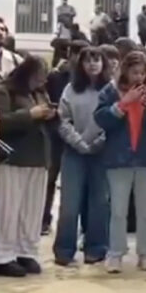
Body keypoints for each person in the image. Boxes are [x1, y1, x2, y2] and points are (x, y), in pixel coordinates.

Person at [94, 51, 146, 273]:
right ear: (125, 71)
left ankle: (145, 253)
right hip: (118, 159)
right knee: (118, 210)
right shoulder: (110, 91)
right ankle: (115, 253)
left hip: (145, 158)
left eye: (142, 73)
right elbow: (101, 119)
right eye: (134, 72)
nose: (138, 77)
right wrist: (122, 104)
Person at [0, 56, 55, 277]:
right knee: (7, 209)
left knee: (31, 210)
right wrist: (30, 114)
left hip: (38, 158)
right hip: (12, 159)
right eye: (38, 76)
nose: (41, 81)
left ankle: (26, 251)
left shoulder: (38, 93)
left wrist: (51, 114)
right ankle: (2, 256)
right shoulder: (3, 91)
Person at [53, 47, 110, 266]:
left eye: (96, 60)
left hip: (102, 153)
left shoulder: (110, 90)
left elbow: (115, 118)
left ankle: (96, 247)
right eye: (87, 60)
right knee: (70, 203)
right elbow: (62, 120)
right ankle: (64, 249)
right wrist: (78, 142)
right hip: (73, 152)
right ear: (80, 64)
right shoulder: (70, 89)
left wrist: (99, 142)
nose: (92, 64)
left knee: (99, 203)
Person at [42, 40, 88, 235]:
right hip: (56, 133)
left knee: (82, 183)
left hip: (82, 135)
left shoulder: (91, 79)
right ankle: (44, 219)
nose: (77, 59)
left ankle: (85, 225)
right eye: (74, 54)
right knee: (50, 178)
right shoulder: (56, 76)